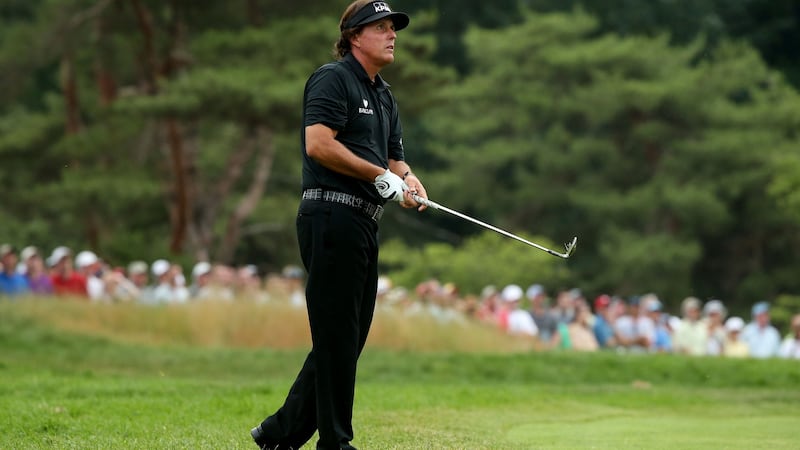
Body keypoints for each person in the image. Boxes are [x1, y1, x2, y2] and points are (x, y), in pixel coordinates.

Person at [250, 3, 426, 449]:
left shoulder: (384, 94)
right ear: (353, 36)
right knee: (337, 336)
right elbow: (318, 144)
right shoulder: (333, 78)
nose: (392, 35)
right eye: (381, 28)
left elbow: (393, 156)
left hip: (364, 223)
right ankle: (335, 442)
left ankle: (279, 432)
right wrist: (377, 175)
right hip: (330, 215)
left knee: (346, 337)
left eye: (393, 28)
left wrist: (406, 179)